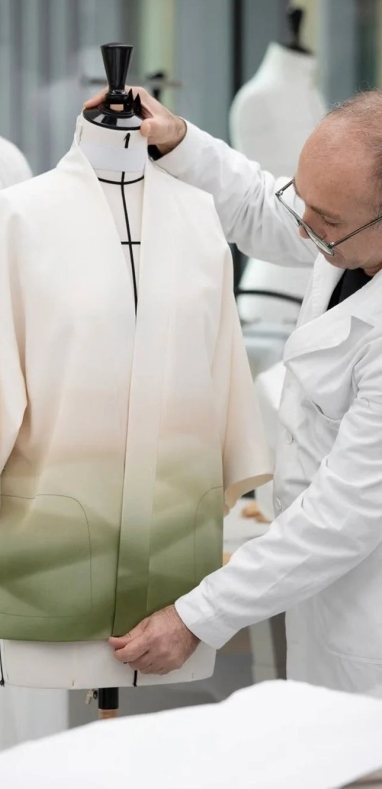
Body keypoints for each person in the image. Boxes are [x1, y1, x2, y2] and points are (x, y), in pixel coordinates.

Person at [84, 86, 382, 697]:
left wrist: (198, 618)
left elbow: (342, 517)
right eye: (306, 202)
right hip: (322, 593)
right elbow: (261, 204)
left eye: (325, 221)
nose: (305, 227)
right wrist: (177, 138)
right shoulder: (344, 226)